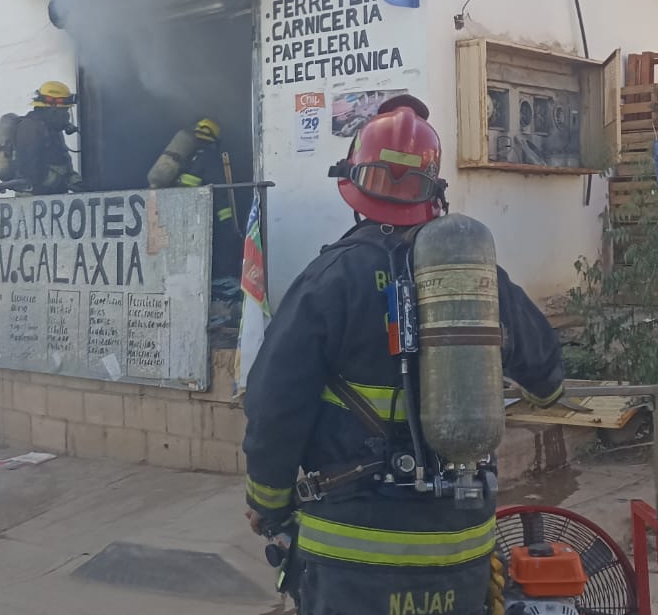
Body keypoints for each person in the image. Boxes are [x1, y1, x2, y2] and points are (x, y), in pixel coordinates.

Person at [241, 95, 566, 615]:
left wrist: (268, 502)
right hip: (460, 551)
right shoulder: (476, 277)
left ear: (353, 184)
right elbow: (546, 374)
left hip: (352, 561)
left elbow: (274, 404)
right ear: (434, 192)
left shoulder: (329, 281)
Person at [9, 81, 82, 195]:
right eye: (64, 111)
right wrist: (60, 182)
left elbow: (62, 164)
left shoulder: (52, 130)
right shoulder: (30, 128)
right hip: (33, 199)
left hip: (51, 197)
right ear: (53, 111)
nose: (67, 116)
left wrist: (76, 182)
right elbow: (30, 169)